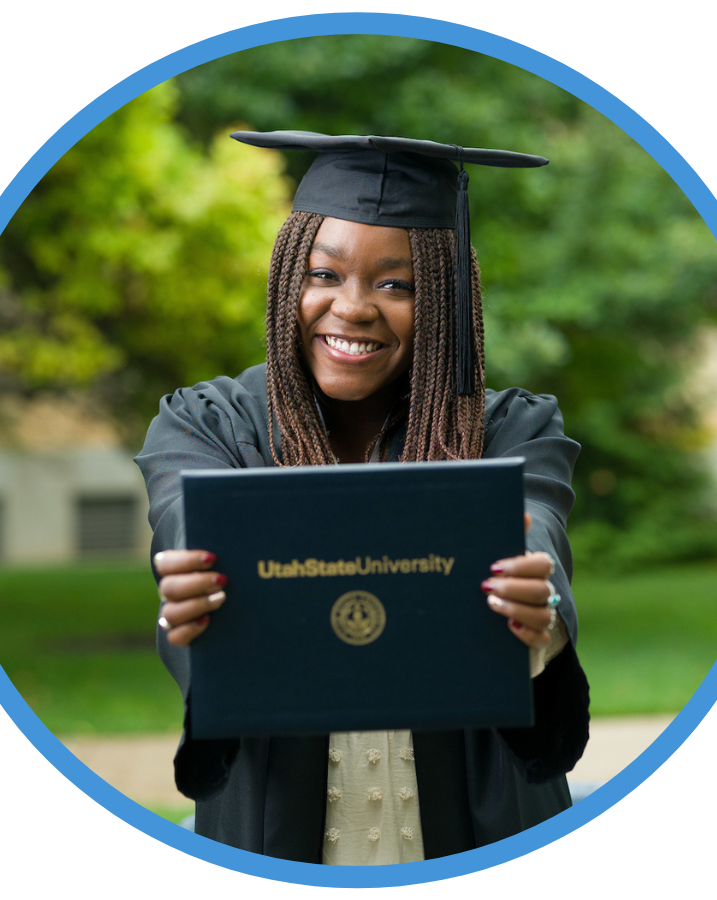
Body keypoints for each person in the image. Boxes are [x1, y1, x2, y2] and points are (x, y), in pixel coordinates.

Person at [134, 131, 590, 864]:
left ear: (442, 298)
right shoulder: (206, 423)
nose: (353, 308)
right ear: (289, 281)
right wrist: (193, 593)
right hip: (276, 840)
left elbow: (535, 535)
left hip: (483, 835)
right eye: (324, 274)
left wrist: (536, 613)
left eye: (395, 283)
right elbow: (189, 522)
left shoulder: (509, 428)